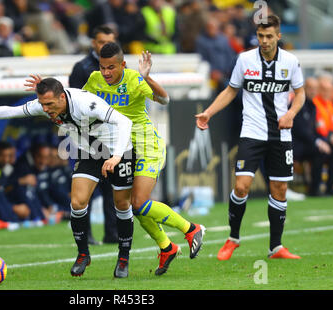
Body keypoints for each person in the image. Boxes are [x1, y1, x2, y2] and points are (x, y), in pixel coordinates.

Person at [24, 42, 205, 276]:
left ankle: (191, 228)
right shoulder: (94, 79)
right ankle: (166, 247)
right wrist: (44, 87)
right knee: (133, 206)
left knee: (138, 203)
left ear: (123, 65)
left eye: (111, 67)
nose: (106, 73)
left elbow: (165, 100)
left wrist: (147, 78)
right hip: (115, 146)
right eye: (102, 67)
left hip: (146, 144)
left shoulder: (134, 79)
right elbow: (72, 97)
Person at [0, 77, 135, 278]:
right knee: (77, 203)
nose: (46, 109)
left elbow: (124, 121)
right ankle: (83, 254)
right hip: (90, 153)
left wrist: (117, 156)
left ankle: (123, 258)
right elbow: (13, 111)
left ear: (61, 96)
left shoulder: (87, 103)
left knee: (121, 205)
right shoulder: (44, 104)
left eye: (49, 104)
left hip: (119, 152)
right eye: (42, 104)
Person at [195, 15, 305, 260]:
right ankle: (233, 238)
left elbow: (300, 93)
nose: (264, 41)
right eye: (260, 36)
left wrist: (291, 113)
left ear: (278, 36)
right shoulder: (245, 59)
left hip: (281, 134)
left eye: (269, 36)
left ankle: (276, 247)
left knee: (279, 189)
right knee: (241, 186)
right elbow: (231, 89)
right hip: (252, 133)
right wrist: (209, 113)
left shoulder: (290, 61)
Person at [69, 24, 119, 245]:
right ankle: (85, 234)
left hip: (112, 136)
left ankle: (112, 233)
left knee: (112, 187)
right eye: (101, 42)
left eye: (109, 42)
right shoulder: (82, 68)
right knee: (84, 188)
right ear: (93, 43)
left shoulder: (118, 67)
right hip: (87, 137)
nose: (105, 46)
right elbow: (74, 102)